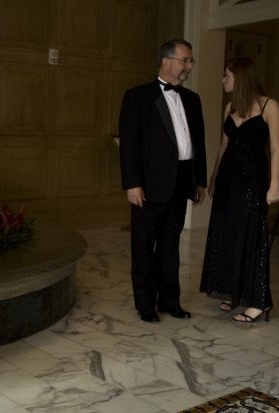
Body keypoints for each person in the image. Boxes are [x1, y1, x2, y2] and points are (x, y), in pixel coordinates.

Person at [119, 39, 207, 323]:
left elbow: (199, 144)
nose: (189, 66)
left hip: (181, 183)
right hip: (148, 186)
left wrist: (199, 180)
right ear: (166, 61)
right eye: (185, 60)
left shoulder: (193, 100)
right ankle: (146, 306)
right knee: (144, 248)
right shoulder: (137, 96)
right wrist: (132, 184)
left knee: (171, 247)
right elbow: (129, 145)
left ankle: (170, 302)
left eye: (191, 61)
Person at [200, 57, 279, 322]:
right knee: (226, 234)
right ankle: (232, 291)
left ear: (240, 77)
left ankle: (260, 302)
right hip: (227, 181)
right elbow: (223, 147)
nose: (223, 80)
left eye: (227, 76)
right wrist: (213, 179)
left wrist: (275, 184)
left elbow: (278, 148)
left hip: (253, 181)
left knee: (251, 237)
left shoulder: (270, 106)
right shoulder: (230, 107)